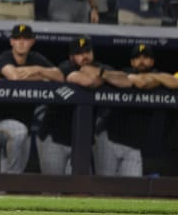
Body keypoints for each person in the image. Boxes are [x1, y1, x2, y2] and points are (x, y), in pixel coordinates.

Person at [36, 37, 130, 175]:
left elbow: (126, 81)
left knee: (79, 189)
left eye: (87, 52)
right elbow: (88, 81)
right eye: (79, 53)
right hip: (54, 138)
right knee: (52, 188)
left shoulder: (100, 67)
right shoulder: (67, 66)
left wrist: (102, 73)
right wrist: (103, 76)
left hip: (80, 142)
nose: (84, 56)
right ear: (72, 57)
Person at [96, 44, 178, 177]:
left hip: (134, 146)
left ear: (152, 61)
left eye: (145, 57)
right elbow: (140, 83)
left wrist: (155, 77)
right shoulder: (125, 72)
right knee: (103, 187)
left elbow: (177, 83)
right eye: (137, 58)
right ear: (132, 62)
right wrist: (152, 79)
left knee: (132, 190)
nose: (141, 61)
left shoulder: (157, 76)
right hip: (110, 139)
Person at [0, 24, 63, 174]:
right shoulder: (4, 56)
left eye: (26, 39)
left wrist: (37, 69)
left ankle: (4, 191)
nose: (21, 42)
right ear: (11, 42)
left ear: (33, 41)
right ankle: (11, 182)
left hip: (25, 125)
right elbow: (14, 77)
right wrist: (42, 77)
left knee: (18, 154)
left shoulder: (36, 59)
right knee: (18, 133)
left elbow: (59, 76)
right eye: (17, 38)